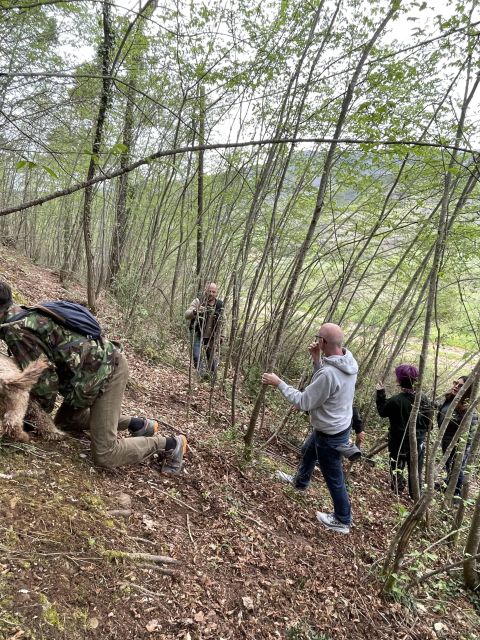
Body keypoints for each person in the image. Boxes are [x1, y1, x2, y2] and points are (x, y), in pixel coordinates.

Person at [0, 281, 187, 472]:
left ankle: (171, 444)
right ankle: (139, 424)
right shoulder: (21, 313)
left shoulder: (15, 329)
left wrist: (28, 417)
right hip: (87, 378)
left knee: (106, 454)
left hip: (106, 373)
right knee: (65, 422)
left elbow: (46, 385)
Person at [262, 323, 358, 534]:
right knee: (308, 451)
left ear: (323, 342)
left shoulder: (330, 373)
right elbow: (325, 387)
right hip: (336, 425)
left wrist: (279, 383)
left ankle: (343, 520)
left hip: (330, 433)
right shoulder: (348, 360)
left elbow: (306, 400)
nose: (316, 340)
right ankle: (300, 482)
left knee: (333, 477)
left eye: (318, 337)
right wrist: (317, 360)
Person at [376, 364, 432, 498]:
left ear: (399, 380)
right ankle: (415, 494)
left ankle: (397, 489)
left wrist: (380, 393)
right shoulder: (423, 399)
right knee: (415, 468)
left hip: (398, 440)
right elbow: (429, 425)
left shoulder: (396, 401)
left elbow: (383, 411)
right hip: (417, 441)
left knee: (396, 465)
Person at [275, 404, 364, 488]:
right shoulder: (321, 390)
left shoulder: (339, 391)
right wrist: (301, 404)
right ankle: (300, 483)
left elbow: (350, 407)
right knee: (308, 451)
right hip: (322, 429)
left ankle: (340, 495)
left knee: (332, 466)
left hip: (337, 433)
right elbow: (312, 398)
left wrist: (359, 429)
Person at [437, 375, 476, 497]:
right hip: (446, 439)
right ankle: (447, 484)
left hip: (458, 444)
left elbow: (471, 430)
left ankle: (456, 494)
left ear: (467, 390)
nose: (455, 386)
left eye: (460, 386)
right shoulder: (450, 398)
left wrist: (463, 448)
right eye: (455, 383)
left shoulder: (468, 409)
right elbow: (442, 411)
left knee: (457, 468)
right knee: (449, 465)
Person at [185, 282, 224, 377]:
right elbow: (187, 314)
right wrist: (195, 311)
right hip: (197, 332)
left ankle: (212, 378)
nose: (211, 293)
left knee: (211, 359)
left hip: (210, 336)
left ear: (216, 293)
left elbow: (223, 321)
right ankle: (202, 376)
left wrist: (222, 335)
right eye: (209, 291)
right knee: (196, 356)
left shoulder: (219, 305)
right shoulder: (199, 301)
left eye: (213, 292)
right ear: (205, 291)